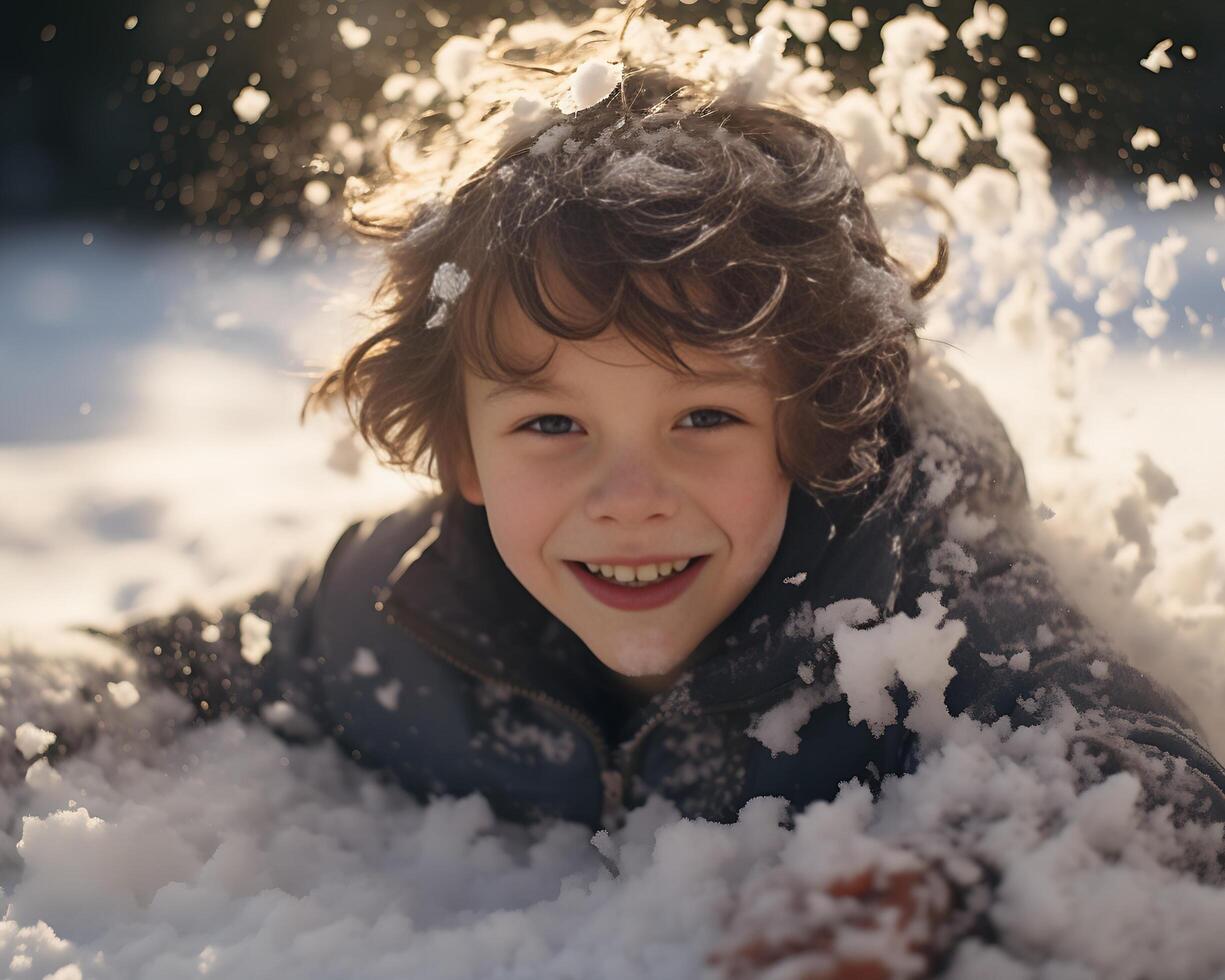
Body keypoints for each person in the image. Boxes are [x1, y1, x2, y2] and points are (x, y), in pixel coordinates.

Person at [65, 0, 1225, 925]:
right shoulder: (399, 619)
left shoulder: (924, 614)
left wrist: (946, 890)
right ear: (459, 454)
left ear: (805, 428)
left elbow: (1151, 785)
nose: (628, 498)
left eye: (706, 419)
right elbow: (180, 663)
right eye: (551, 426)